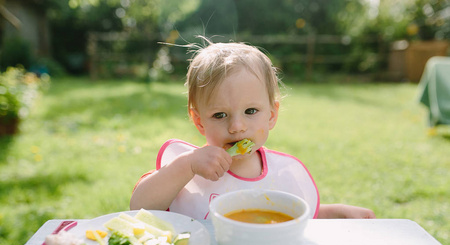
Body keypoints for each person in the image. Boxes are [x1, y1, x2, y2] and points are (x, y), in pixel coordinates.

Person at [130, 38, 375, 220]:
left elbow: (291, 215)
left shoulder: (281, 173)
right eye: (220, 115)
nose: (237, 127)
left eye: (250, 111)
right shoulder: (187, 172)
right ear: (199, 121)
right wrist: (186, 165)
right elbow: (139, 207)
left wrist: (335, 213)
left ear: (272, 115)